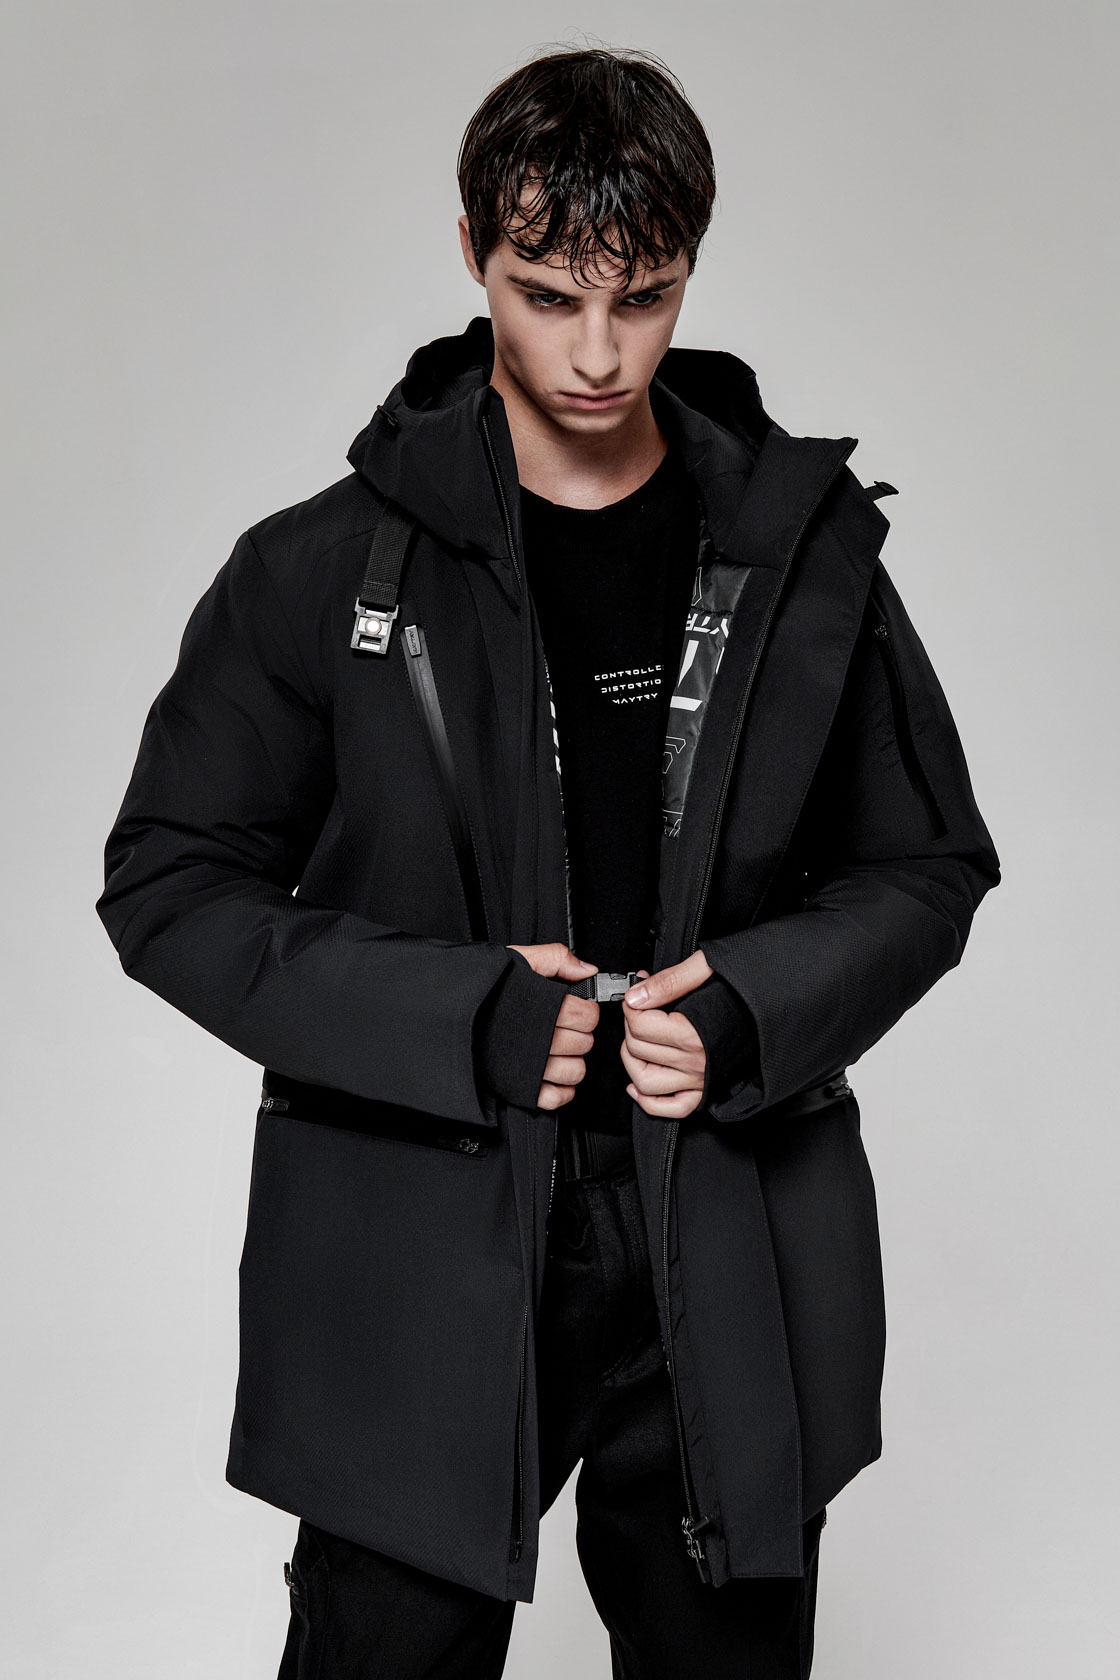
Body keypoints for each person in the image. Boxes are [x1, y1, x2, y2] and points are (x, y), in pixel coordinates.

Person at [95, 44, 1001, 1680]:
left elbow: (927, 865)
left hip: (720, 1220)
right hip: (423, 1229)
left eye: (642, 298)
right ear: (471, 254)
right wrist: (465, 1016)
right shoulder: (316, 572)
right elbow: (169, 885)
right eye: (547, 294)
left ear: (689, 268)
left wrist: (749, 1006)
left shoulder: (799, 559)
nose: (596, 352)